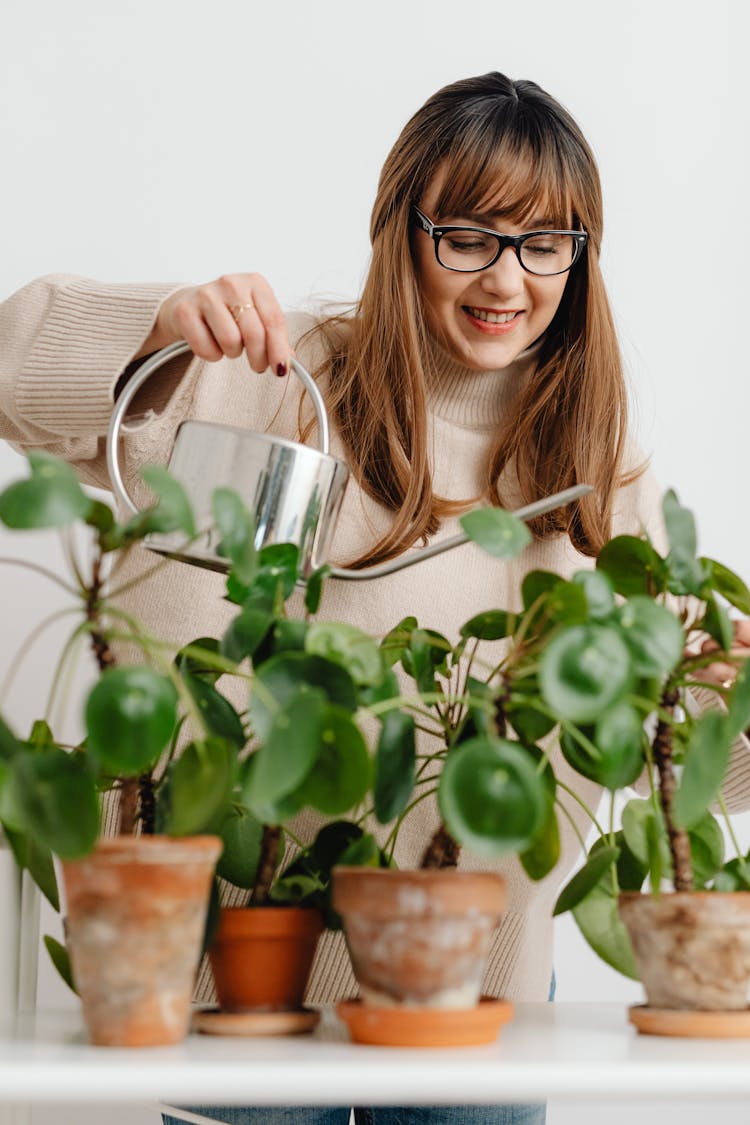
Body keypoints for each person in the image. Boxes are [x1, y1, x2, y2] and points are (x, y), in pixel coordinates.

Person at [2, 72, 749, 1125]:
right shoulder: (274, 375)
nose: (509, 277)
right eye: (471, 236)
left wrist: (730, 691)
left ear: (581, 259)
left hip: (474, 981)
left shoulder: (598, 467)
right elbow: (10, 377)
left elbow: (704, 773)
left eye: (547, 243)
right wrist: (157, 322)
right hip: (248, 966)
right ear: (404, 230)